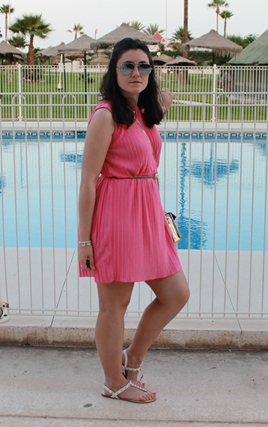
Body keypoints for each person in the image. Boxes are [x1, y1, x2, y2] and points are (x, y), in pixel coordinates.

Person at [77, 38, 190, 404]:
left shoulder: (140, 111)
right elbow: (88, 181)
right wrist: (84, 240)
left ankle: (133, 359)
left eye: (143, 66)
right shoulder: (105, 116)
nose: (136, 72)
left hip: (147, 213)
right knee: (115, 305)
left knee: (176, 294)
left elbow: (144, 151)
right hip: (117, 216)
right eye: (127, 66)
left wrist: (158, 106)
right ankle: (113, 381)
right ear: (114, 71)